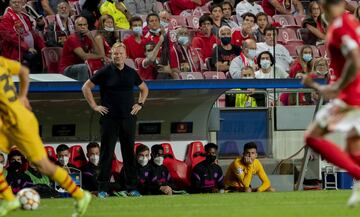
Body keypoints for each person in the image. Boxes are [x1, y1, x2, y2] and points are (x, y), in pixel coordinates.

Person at [0, 56, 91, 216]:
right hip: (8, 120)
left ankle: (80, 195)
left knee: (43, 166)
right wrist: (22, 96)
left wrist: (22, 97)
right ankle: (9, 199)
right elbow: (23, 71)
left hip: (19, 121)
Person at [301, 0, 360, 207]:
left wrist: (337, 87)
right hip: (352, 95)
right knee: (353, 147)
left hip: (349, 97)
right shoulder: (350, 22)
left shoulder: (339, 26)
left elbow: (355, 59)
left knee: (312, 137)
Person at [82, 42, 149, 198]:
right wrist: (94, 106)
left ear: (125, 56)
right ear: (111, 55)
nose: (117, 56)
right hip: (109, 119)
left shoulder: (132, 73)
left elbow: (144, 89)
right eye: (115, 54)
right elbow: (86, 87)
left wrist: (140, 103)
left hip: (128, 119)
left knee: (128, 154)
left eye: (120, 53)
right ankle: (102, 189)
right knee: (106, 154)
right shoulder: (104, 72)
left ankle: (131, 187)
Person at [0, 0, 45, 74]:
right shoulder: (6, 17)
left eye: (19, 2)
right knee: (32, 57)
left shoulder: (25, 17)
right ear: (9, 4)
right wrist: (27, 48)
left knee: (41, 56)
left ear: (23, 3)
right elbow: (10, 37)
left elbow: (33, 33)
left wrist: (42, 47)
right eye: (14, 2)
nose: (16, 4)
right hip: (15, 51)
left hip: (28, 49)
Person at [60, 16, 102, 81]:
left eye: (85, 24)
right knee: (83, 67)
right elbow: (84, 56)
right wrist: (99, 56)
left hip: (80, 66)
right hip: (67, 69)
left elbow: (98, 53)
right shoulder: (72, 38)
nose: (83, 27)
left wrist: (91, 37)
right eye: (80, 25)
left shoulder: (87, 37)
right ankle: (83, 89)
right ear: (75, 27)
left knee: (103, 63)